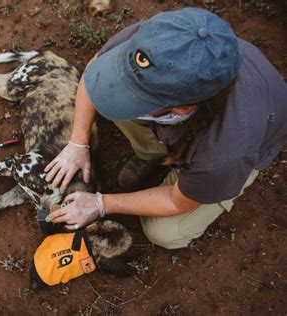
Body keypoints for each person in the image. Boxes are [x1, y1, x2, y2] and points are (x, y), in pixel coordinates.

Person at [44, 7, 287, 249]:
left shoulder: (225, 152)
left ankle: (180, 169)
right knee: (110, 96)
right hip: (186, 111)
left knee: (164, 231)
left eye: (136, 98)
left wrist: (100, 203)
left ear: (181, 110)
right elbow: (95, 74)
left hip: (244, 140)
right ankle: (153, 153)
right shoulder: (161, 41)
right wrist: (77, 143)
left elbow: (177, 202)